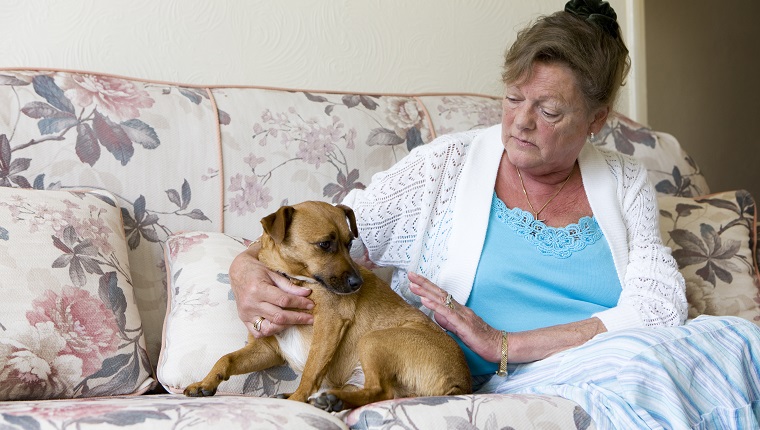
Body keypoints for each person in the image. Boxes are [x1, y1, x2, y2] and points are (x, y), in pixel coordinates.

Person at [229, 0, 760, 428]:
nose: (521, 122)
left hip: (616, 356)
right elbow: (329, 233)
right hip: (515, 382)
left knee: (740, 342)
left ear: (597, 120)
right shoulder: (445, 167)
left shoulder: (625, 181)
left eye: (549, 110)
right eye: (512, 98)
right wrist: (245, 268)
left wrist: (507, 342)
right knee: (645, 372)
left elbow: (663, 308)